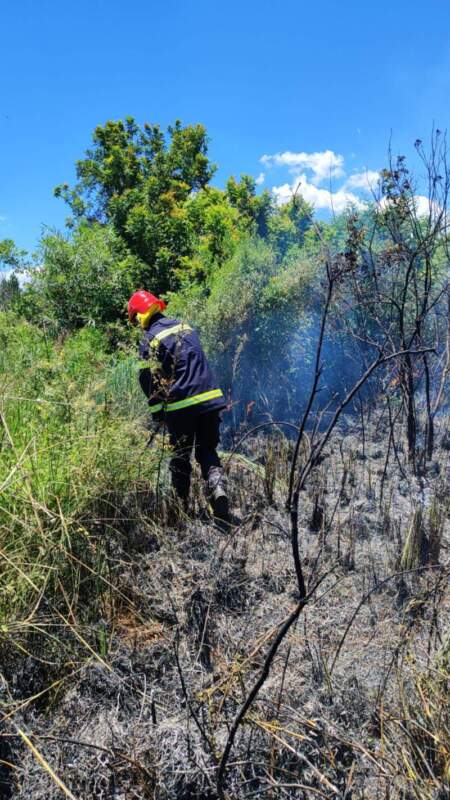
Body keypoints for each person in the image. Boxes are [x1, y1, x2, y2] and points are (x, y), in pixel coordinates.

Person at [128, 290, 230, 521]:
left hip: (181, 405)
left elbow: (147, 379)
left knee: (180, 457)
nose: (137, 326)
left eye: (135, 320)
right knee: (207, 451)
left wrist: (158, 414)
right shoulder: (185, 326)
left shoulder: (150, 338)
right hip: (210, 398)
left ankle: (179, 512)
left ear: (140, 316)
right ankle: (217, 488)